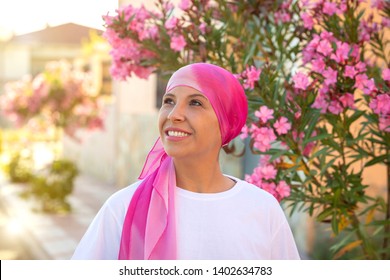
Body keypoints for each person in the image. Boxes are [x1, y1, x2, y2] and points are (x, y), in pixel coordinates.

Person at [71, 63, 300, 260]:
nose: (173, 114)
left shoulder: (262, 209)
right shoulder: (122, 208)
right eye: (169, 101)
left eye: (195, 103)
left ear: (226, 122)